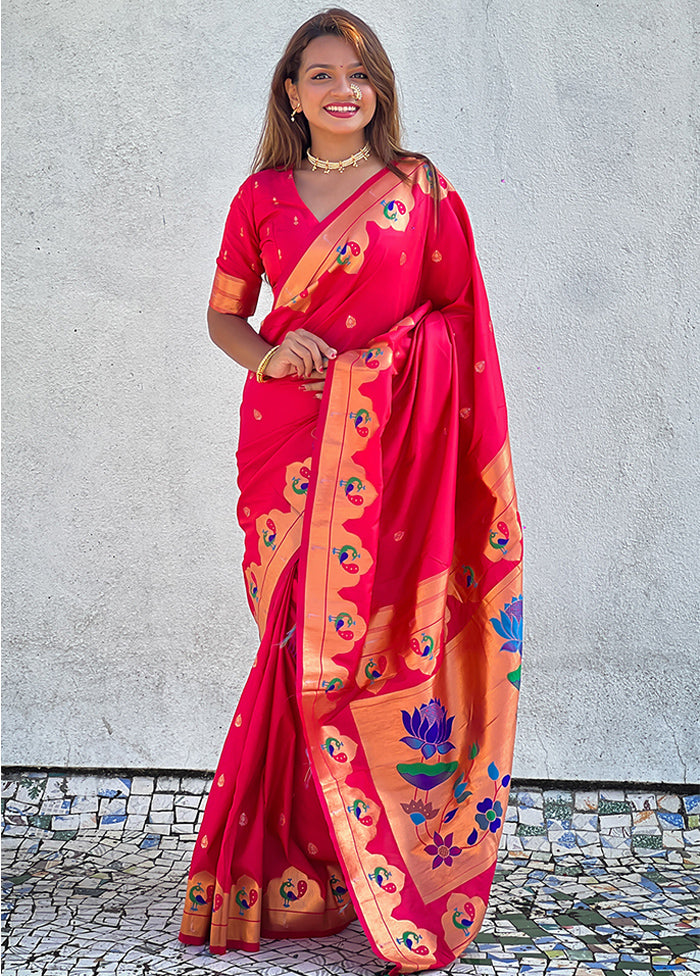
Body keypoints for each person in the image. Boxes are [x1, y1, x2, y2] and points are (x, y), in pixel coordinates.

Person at [178, 8, 522, 973]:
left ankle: (383, 870)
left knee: (369, 648)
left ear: (378, 90)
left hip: (394, 467)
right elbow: (223, 320)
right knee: (295, 652)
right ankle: (282, 866)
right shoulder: (260, 198)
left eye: (359, 73)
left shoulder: (421, 191)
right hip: (287, 455)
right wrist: (274, 351)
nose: (342, 88)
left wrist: (390, 363)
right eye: (321, 73)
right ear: (291, 93)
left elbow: (458, 318)